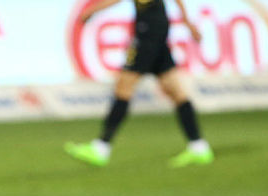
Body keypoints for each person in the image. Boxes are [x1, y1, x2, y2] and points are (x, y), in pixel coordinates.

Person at [65, 0, 213, 168]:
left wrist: (92, 10)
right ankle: (199, 147)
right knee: (175, 90)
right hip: (158, 29)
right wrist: (187, 23)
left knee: (124, 87)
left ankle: (100, 148)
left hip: (147, 33)